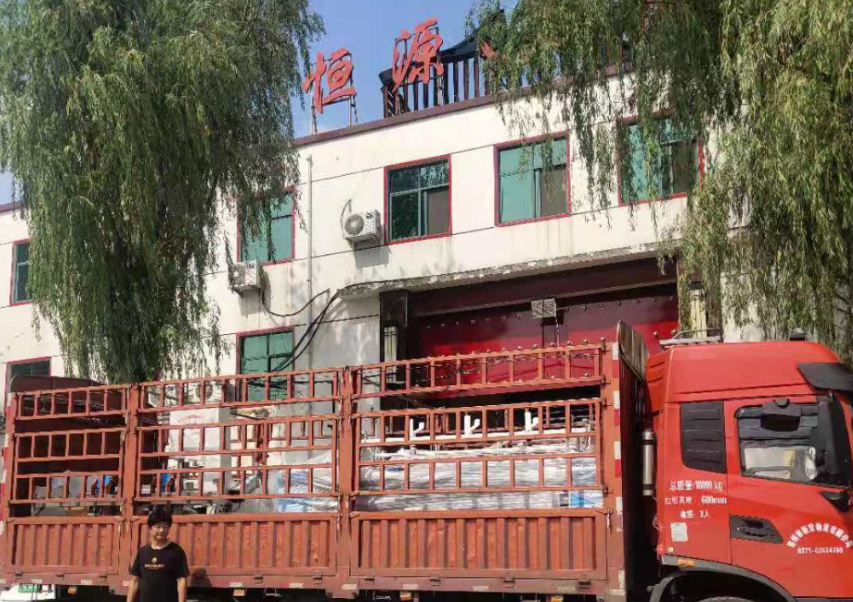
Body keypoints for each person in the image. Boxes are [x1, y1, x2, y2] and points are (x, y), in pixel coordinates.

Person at [127, 507, 189, 602]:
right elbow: (135, 580)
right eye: (158, 527)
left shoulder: (176, 551)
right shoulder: (143, 552)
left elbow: (181, 581)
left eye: (165, 527)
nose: (161, 530)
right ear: (150, 529)